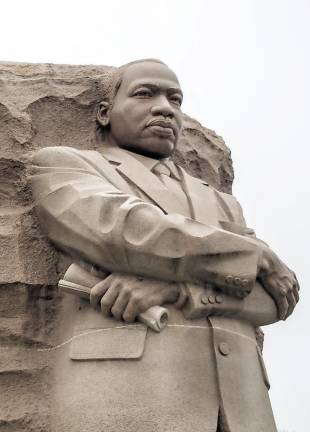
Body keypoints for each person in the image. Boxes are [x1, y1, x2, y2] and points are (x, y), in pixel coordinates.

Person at [30, 59, 299, 432]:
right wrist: (256, 254)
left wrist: (176, 290)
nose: (164, 107)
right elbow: (123, 231)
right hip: (133, 394)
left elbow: (275, 299)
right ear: (105, 113)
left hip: (244, 407)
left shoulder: (221, 202)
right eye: (145, 94)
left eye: (175, 99)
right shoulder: (65, 165)